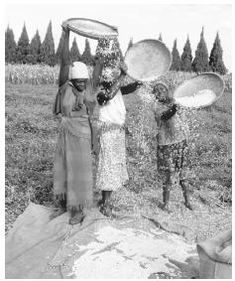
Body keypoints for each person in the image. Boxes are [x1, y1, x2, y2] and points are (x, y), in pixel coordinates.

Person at [52, 24, 97, 225]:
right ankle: (64, 204)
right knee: (63, 167)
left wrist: (105, 43)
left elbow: (100, 64)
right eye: (77, 80)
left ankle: (78, 209)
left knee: (79, 172)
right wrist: (66, 35)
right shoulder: (65, 87)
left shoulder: (89, 89)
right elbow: (64, 60)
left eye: (84, 80)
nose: (81, 83)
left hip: (83, 135)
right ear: (71, 79)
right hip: (66, 133)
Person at [95, 62, 142, 217]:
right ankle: (106, 204)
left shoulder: (118, 90)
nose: (111, 80)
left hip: (117, 133)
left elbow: (130, 88)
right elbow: (110, 95)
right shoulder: (101, 93)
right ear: (103, 81)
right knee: (108, 167)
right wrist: (122, 74)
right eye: (108, 78)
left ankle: (105, 201)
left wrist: (140, 80)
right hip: (108, 133)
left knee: (113, 166)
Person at [153, 82, 193, 212]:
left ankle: (187, 201)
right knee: (170, 175)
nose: (159, 92)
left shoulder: (175, 103)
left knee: (184, 174)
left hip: (181, 141)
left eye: (162, 89)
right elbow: (165, 116)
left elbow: (183, 120)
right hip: (166, 144)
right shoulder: (156, 106)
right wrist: (176, 106)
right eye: (156, 91)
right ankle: (166, 204)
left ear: (167, 91)